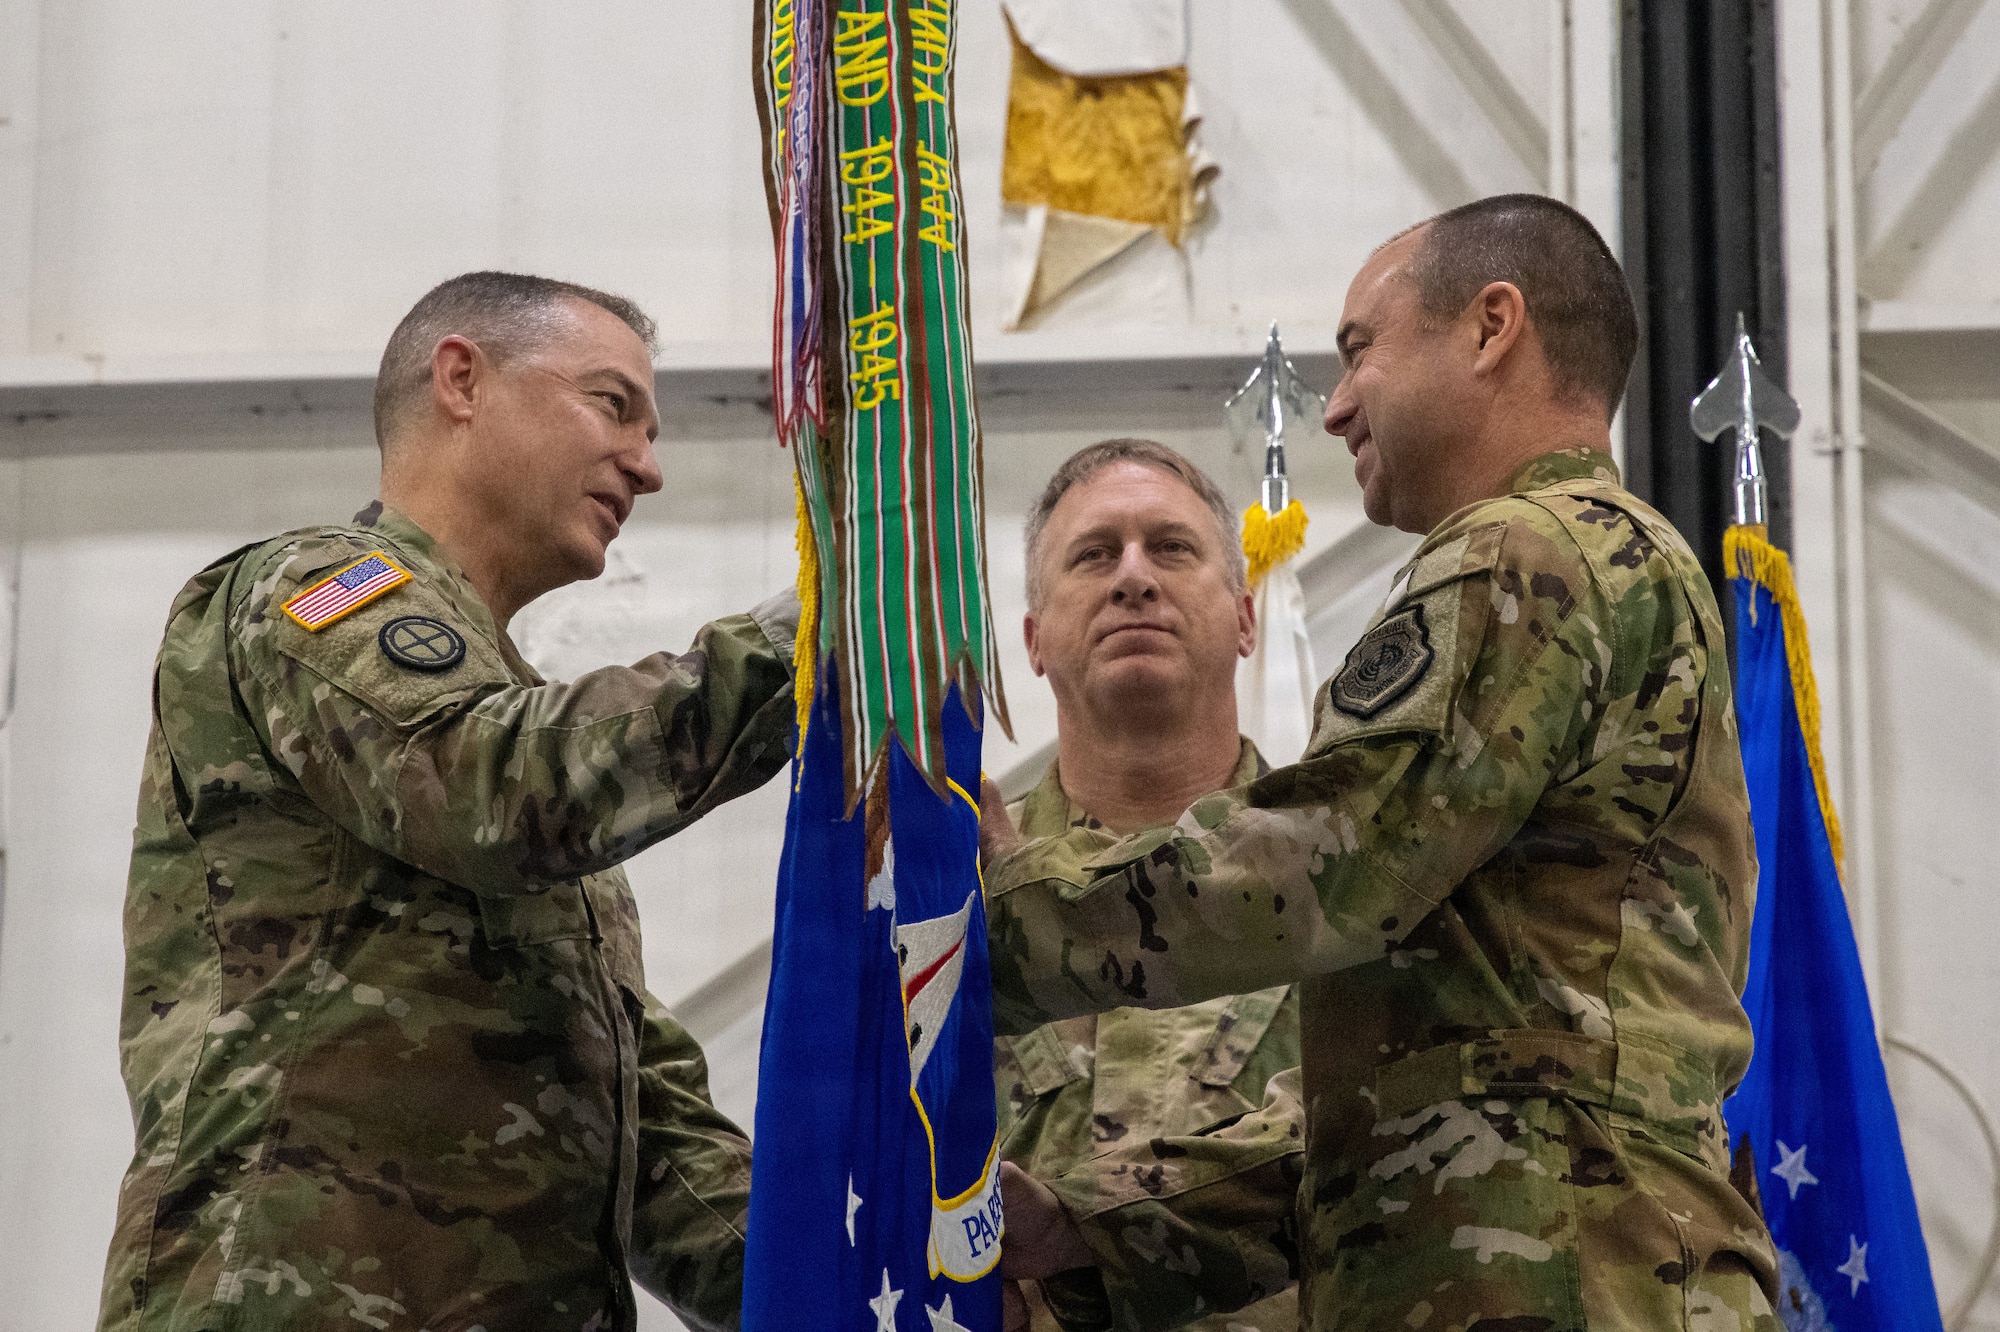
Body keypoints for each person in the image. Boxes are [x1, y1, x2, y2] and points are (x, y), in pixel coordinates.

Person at [981, 195, 1780, 1331]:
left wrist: (989, 924)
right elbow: (1405, 1111)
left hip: (1564, 1277)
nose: (1340, 405)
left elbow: (1328, 861)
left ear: (1490, 327)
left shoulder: (1524, 552)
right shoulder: (1586, 558)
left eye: (1359, 350)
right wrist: (1088, 1235)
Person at [100, 272, 796, 1332]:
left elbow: (647, 1140)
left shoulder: (517, 729)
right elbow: (489, 788)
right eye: (613, 405)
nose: (646, 468)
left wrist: (852, 1289)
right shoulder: (314, 591)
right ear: (462, 380)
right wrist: (826, 627)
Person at [992, 440, 1305, 1332]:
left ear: (1246, 619)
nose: (1133, 578)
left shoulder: (1358, 871)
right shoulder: (950, 896)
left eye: (1171, 548)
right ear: (1034, 641)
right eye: (1094, 555)